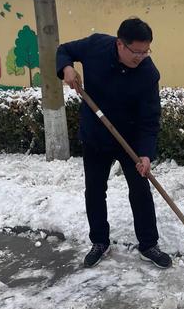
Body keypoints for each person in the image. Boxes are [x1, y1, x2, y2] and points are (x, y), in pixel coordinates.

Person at [56, 17, 171, 269]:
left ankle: (149, 244)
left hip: (129, 139)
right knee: (95, 190)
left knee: (140, 191)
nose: (141, 57)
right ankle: (99, 241)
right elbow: (64, 50)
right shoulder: (96, 46)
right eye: (136, 51)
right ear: (120, 44)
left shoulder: (148, 73)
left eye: (146, 51)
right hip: (96, 135)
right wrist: (66, 68)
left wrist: (145, 154)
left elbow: (150, 119)